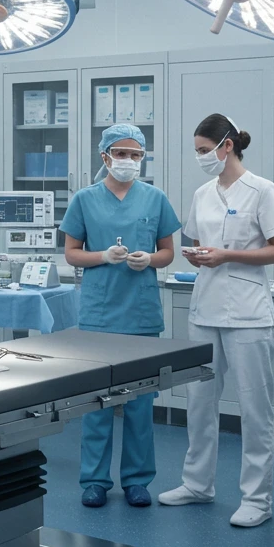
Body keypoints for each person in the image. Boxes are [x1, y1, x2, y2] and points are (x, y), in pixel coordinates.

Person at [158, 114, 274, 528]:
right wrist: (198, 255)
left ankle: (257, 499)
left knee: (254, 410)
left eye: (203, 150)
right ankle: (198, 484)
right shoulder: (202, 193)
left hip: (248, 315)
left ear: (227, 146)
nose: (200, 158)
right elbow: (198, 244)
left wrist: (228, 255)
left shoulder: (262, 190)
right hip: (205, 310)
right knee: (199, 405)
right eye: (197, 151)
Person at [61, 124, 179, 509]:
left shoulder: (155, 198)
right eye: (121, 153)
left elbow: (167, 253)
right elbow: (72, 253)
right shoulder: (84, 199)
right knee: (96, 403)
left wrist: (150, 260)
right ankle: (95, 480)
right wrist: (101, 257)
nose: (128, 161)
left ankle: (137, 480)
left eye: (136, 155)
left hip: (141, 313)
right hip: (99, 312)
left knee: (140, 403)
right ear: (104, 156)